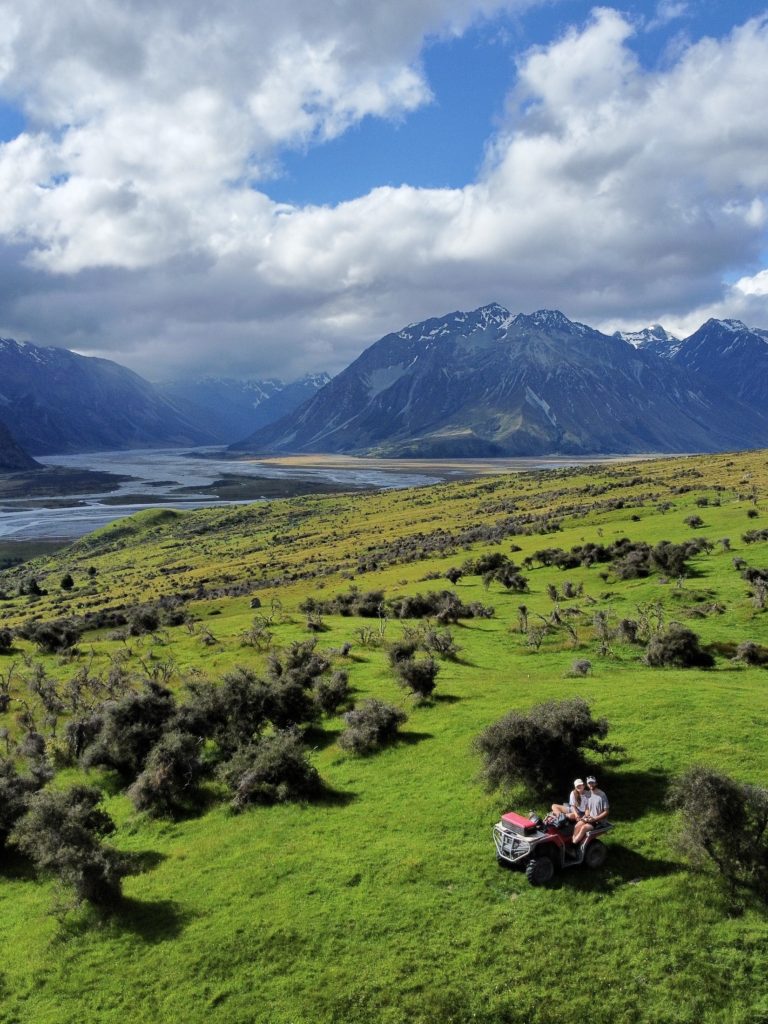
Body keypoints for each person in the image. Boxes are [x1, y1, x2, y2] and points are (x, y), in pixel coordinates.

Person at [571, 776, 609, 844]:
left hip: (598, 822)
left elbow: (606, 811)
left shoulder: (602, 795)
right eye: (589, 783)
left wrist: (595, 818)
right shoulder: (588, 794)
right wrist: (586, 815)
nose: (591, 784)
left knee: (583, 828)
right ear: (587, 784)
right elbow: (587, 808)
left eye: (592, 783)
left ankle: (574, 844)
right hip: (589, 818)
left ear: (596, 783)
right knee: (577, 826)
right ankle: (574, 842)